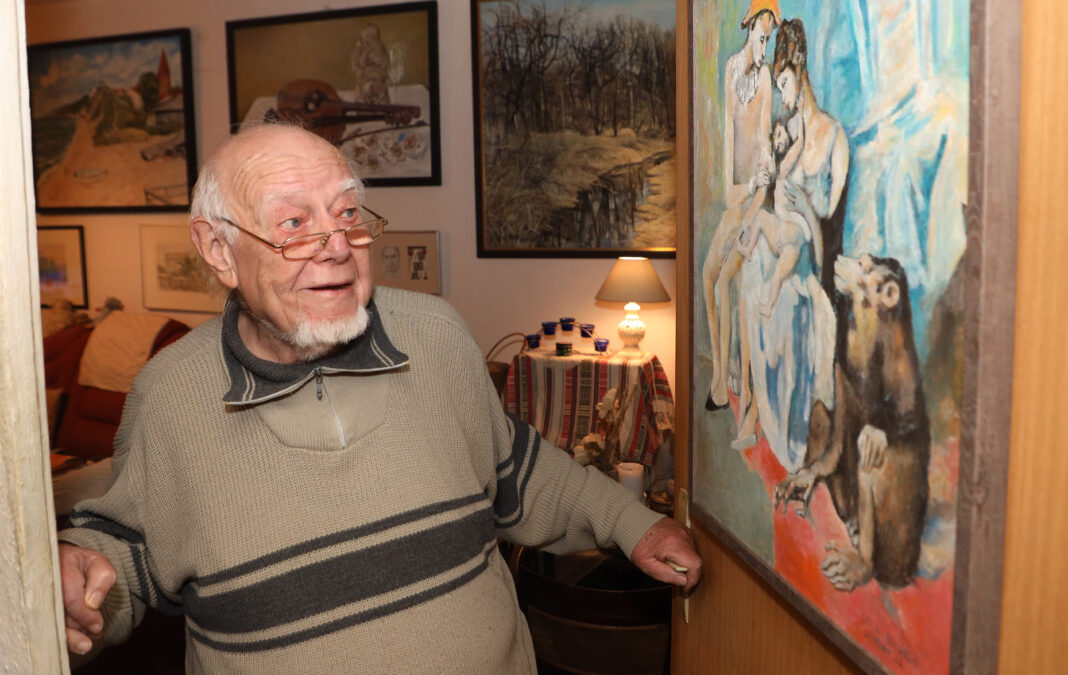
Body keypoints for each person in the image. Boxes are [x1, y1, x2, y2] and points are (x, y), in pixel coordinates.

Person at [57, 124, 701, 673]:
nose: (337, 245)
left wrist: (633, 524)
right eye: (294, 222)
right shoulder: (169, 396)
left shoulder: (437, 333)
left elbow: (518, 472)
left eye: (346, 214)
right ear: (218, 249)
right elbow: (126, 555)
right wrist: (72, 580)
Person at [736, 17, 846, 470]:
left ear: (800, 73)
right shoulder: (788, 136)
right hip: (783, 243)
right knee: (753, 271)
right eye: (778, 85)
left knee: (788, 293)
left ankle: (787, 432)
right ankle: (751, 407)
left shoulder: (833, 139)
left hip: (809, 256)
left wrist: (805, 211)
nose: (783, 95)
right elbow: (770, 199)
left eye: (784, 83)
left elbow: (826, 235)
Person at [701, 0, 779, 448]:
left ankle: (728, 389)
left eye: (769, 38)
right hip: (737, 192)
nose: (764, 45)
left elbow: (764, 135)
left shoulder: (766, 78)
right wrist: (732, 188)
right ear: (749, 29)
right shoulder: (733, 70)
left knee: (724, 279)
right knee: (707, 275)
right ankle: (719, 373)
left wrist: (757, 190)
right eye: (761, 35)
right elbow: (730, 130)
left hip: (756, 194)